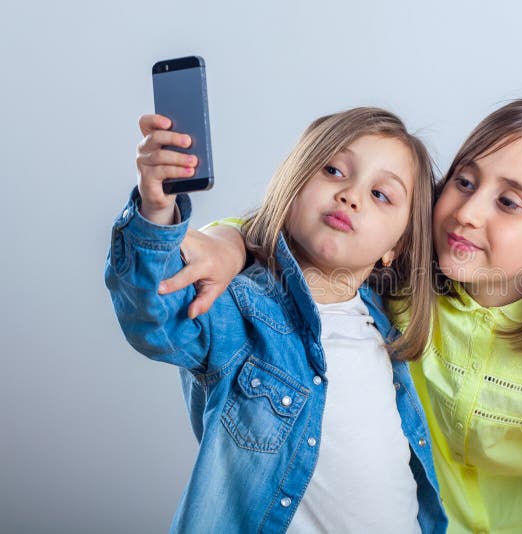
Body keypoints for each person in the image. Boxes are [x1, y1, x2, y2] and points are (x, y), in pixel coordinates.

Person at [165, 97, 522, 533]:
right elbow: (303, 230)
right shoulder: (409, 276)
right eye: (464, 181)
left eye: (508, 202)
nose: (465, 212)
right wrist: (228, 241)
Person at [104, 107, 448, 533]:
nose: (351, 195)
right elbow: (153, 315)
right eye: (334, 170)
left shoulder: (387, 324)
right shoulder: (241, 311)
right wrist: (156, 212)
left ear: (394, 247)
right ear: (294, 183)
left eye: (381, 195)